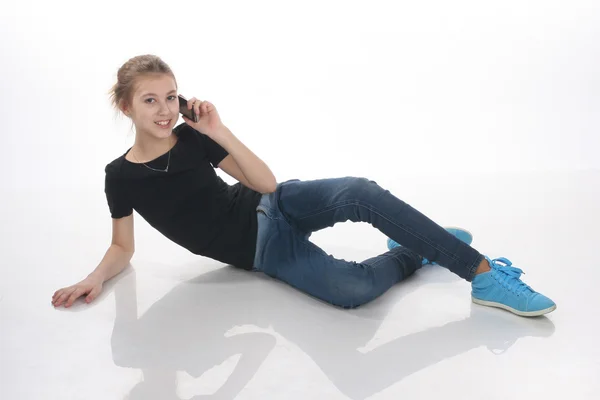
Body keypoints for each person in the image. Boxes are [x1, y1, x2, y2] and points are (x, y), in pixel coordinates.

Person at [51, 54, 556, 317]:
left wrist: (217, 130)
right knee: (351, 289)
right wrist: (94, 278)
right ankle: (412, 252)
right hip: (259, 251)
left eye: (170, 97)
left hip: (272, 203)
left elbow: (265, 181)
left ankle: (484, 276)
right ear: (126, 106)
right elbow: (122, 246)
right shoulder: (120, 176)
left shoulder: (194, 138)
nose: (164, 110)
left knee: (361, 189)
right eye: (150, 101)